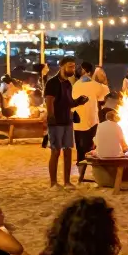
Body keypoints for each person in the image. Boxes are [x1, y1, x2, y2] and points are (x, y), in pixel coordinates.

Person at [44, 57, 88, 189]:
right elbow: (49, 101)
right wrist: (51, 117)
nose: (72, 69)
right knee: (56, 152)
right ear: (61, 66)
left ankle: (67, 182)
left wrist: (78, 101)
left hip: (67, 121)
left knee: (68, 151)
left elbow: (69, 102)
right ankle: (53, 183)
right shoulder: (52, 83)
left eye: (74, 66)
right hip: (56, 122)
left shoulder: (68, 84)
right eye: (70, 66)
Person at [72, 62, 109, 181]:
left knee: (80, 149)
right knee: (92, 148)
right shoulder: (95, 85)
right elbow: (103, 96)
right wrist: (102, 80)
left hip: (78, 121)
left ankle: (81, 174)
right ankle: (93, 173)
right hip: (91, 120)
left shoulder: (75, 85)